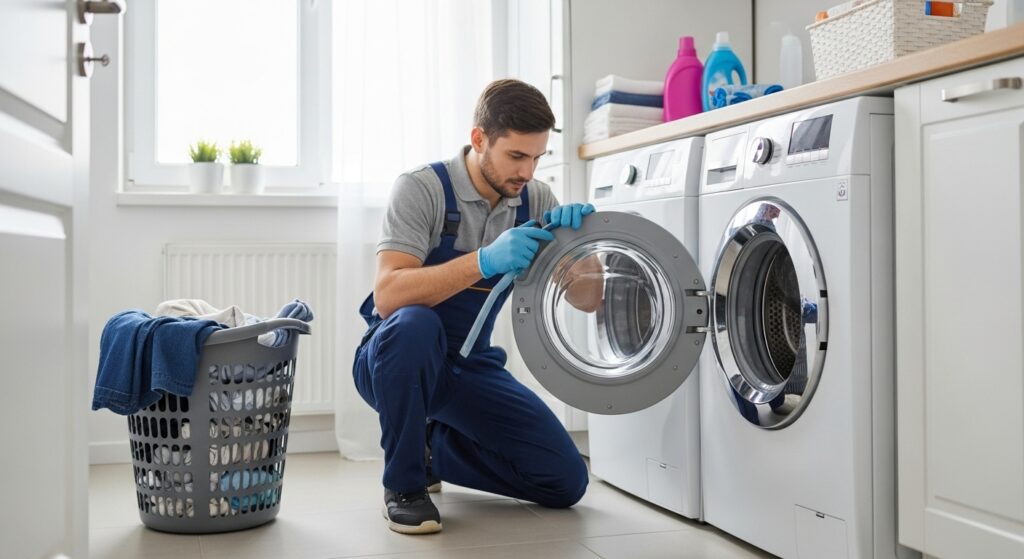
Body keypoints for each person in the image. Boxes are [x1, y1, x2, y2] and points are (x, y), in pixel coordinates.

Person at [352, 79, 595, 535]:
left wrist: (580, 251)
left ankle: (433, 444)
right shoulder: (422, 189)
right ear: (480, 139)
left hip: (469, 366)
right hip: (394, 360)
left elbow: (590, 300)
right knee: (414, 325)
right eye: (517, 156)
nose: (528, 172)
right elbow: (388, 296)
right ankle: (404, 486)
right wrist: (484, 260)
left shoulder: (536, 199)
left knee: (565, 481)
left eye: (538, 157)